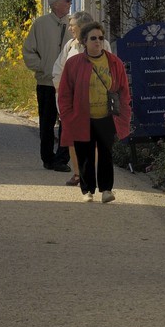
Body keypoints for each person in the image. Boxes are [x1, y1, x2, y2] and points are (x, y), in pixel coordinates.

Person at [56, 21, 132, 203]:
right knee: (85, 155)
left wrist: (124, 113)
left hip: (107, 116)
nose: (97, 41)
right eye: (93, 38)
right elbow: (65, 93)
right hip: (82, 117)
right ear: (84, 41)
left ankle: (106, 189)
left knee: (106, 153)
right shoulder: (74, 63)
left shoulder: (114, 62)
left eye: (100, 38)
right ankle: (87, 189)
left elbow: (123, 90)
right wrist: (67, 116)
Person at [23, 0, 74, 173]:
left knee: (67, 122)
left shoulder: (73, 24)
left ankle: (62, 158)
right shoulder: (41, 24)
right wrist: (43, 68)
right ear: (55, 3)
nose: (69, 4)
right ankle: (47, 158)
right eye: (66, 0)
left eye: (70, 1)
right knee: (46, 122)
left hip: (68, 84)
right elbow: (28, 50)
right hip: (46, 83)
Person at [51, 10, 96, 186]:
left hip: (93, 100)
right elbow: (58, 70)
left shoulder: (100, 43)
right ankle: (77, 174)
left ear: (83, 27)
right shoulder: (70, 45)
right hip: (71, 102)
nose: (70, 29)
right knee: (72, 139)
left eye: (73, 26)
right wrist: (60, 94)